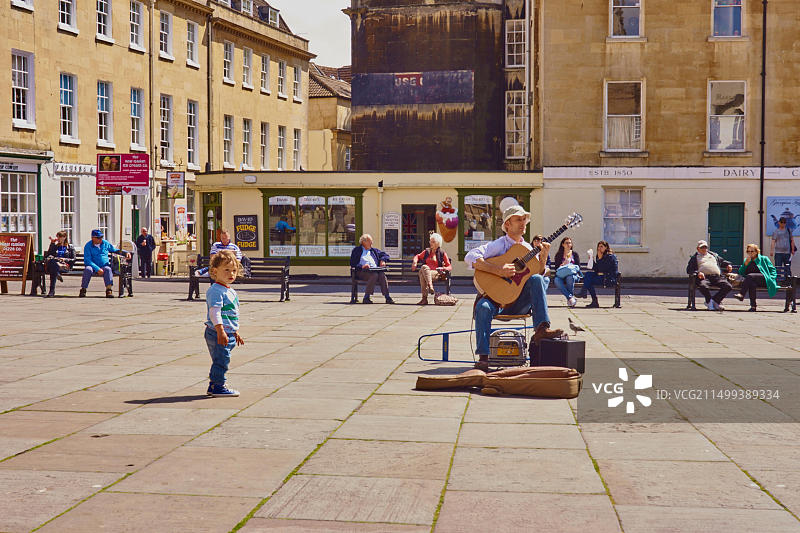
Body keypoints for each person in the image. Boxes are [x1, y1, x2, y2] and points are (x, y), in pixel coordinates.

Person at [466, 205, 563, 371]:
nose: (523, 223)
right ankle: (483, 358)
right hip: (496, 301)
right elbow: (470, 256)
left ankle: (541, 329)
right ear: (507, 224)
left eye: (524, 220)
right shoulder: (498, 245)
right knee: (482, 307)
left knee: (538, 278)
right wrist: (498, 270)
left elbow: (538, 275)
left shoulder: (527, 248)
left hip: (519, 301)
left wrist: (544, 257)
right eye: (518, 219)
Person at [204, 250, 244, 397]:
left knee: (221, 358)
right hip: (217, 332)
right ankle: (218, 386)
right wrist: (220, 331)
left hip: (227, 332)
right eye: (226, 270)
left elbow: (231, 314)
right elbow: (214, 312)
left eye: (234, 270)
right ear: (215, 271)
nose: (231, 274)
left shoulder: (229, 290)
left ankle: (214, 384)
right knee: (222, 360)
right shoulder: (216, 291)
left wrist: (235, 331)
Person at [80, 229, 131, 298]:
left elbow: (114, 250)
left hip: (104, 265)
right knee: (88, 269)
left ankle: (109, 289)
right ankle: (83, 289)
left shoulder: (105, 243)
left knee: (108, 269)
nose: (100, 239)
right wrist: (97, 269)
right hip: (92, 266)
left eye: (101, 237)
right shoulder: (88, 246)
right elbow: (87, 260)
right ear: (93, 238)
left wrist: (125, 252)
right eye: (98, 238)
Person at [686, 240, 733, 311]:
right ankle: (709, 301)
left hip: (717, 277)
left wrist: (728, 265)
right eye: (702, 247)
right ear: (698, 248)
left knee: (728, 286)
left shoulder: (713, 255)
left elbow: (722, 261)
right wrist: (698, 273)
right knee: (703, 286)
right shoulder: (694, 257)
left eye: (705, 247)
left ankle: (715, 301)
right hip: (704, 277)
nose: (704, 249)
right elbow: (689, 269)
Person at [349, 233, 395, 304]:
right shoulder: (357, 250)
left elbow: (385, 255)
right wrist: (362, 266)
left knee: (381, 274)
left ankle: (387, 297)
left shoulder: (374, 250)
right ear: (363, 242)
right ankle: (366, 297)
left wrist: (383, 260)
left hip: (374, 270)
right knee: (374, 275)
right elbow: (353, 263)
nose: (372, 243)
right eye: (370, 241)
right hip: (361, 272)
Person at [734, 243, 777, 312]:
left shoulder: (764, 259)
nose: (750, 253)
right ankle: (753, 306)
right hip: (751, 280)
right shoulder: (747, 260)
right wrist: (745, 265)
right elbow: (741, 273)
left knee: (750, 276)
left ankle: (741, 294)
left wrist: (771, 278)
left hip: (764, 279)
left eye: (752, 251)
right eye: (748, 251)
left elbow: (772, 270)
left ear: (757, 251)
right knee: (751, 284)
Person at [411, 232, 452, 305]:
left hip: (436, 273)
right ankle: (430, 286)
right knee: (424, 268)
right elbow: (417, 256)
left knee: (423, 274)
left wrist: (442, 268)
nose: (431, 243)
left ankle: (424, 299)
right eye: (430, 241)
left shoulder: (442, 253)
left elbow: (449, 267)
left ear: (438, 243)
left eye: (433, 242)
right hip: (426, 272)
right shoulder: (427, 251)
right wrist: (415, 262)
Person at [577, 241, 619, 308]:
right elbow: (597, 269)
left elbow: (603, 269)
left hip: (608, 278)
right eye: (598, 247)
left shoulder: (610, 256)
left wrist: (599, 259)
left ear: (606, 247)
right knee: (588, 274)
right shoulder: (599, 255)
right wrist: (592, 260)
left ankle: (591, 298)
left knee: (588, 281)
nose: (599, 248)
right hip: (601, 276)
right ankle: (585, 293)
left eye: (601, 246)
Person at [42, 230, 75, 298]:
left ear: (64, 237)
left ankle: (52, 291)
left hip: (64, 266)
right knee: (53, 265)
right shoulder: (55, 246)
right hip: (55, 265)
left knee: (53, 268)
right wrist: (52, 244)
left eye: (60, 237)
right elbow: (48, 255)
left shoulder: (70, 247)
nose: (58, 238)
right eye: (58, 237)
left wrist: (65, 259)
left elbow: (73, 259)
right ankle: (56, 276)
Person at [552, 237, 581, 307]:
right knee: (556, 280)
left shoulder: (575, 254)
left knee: (570, 277)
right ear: (563, 244)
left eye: (570, 243)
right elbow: (556, 268)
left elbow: (578, 267)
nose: (568, 244)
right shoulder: (559, 255)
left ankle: (570, 300)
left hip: (573, 275)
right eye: (566, 243)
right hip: (561, 275)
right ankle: (570, 298)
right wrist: (563, 264)